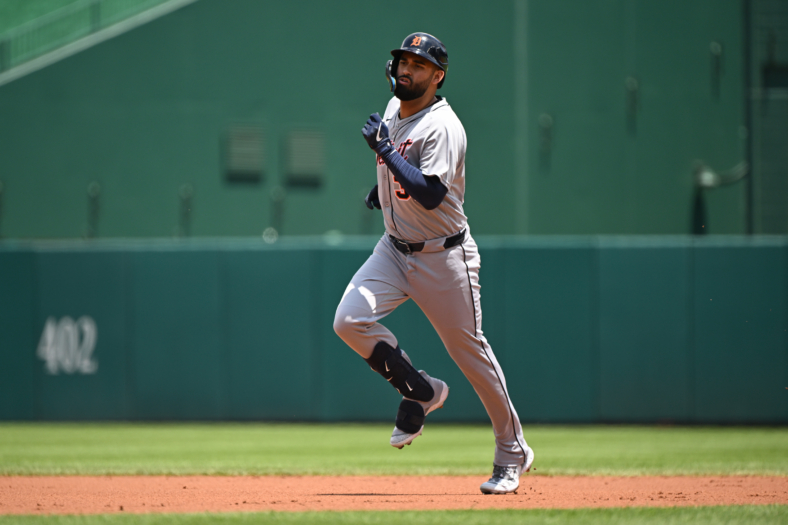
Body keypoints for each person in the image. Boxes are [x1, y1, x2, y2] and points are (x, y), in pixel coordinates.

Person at [333, 32, 534, 495]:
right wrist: (380, 191)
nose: (407, 69)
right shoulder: (392, 111)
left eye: (419, 65)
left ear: (437, 76)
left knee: (471, 354)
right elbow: (400, 178)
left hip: (444, 256)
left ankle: (512, 451)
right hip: (394, 248)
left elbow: (430, 193)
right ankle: (422, 390)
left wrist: (383, 152)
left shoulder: (444, 126)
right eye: (403, 61)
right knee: (349, 320)